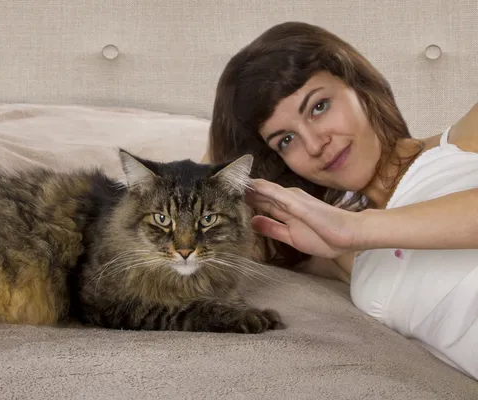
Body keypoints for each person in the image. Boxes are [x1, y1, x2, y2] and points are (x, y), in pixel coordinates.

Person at [202, 21, 478, 380]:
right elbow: (198, 229)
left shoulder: (465, 138)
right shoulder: (332, 245)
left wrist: (354, 228)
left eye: (319, 107)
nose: (315, 145)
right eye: (285, 140)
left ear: (359, 85)